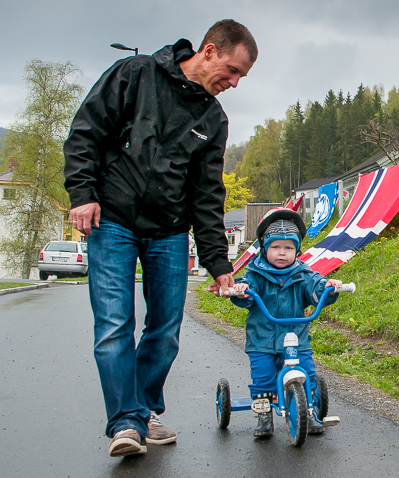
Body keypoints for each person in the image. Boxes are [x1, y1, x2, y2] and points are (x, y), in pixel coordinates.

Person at [63, 20, 257, 457]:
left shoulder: (213, 118)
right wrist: (82, 193)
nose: (234, 83)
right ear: (208, 51)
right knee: (114, 326)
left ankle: (143, 410)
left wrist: (219, 264)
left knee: (165, 330)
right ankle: (125, 424)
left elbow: (208, 197)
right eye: (232, 70)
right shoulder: (134, 73)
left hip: (169, 231)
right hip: (111, 219)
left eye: (241, 77)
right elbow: (85, 132)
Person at [229, 208, 342, 438]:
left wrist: (327, 288)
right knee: (263, 377)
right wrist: (241, 291)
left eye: (289, 248)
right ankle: (263, 414)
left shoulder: (303, 273)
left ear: (297, 250)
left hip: (295, 337)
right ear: (265, 248)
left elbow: (315, 286)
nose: (282, 253)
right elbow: (245, 289)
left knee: (307, 373)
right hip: (263, 338)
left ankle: (309, 411)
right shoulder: (256, 273)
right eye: (276, 247)